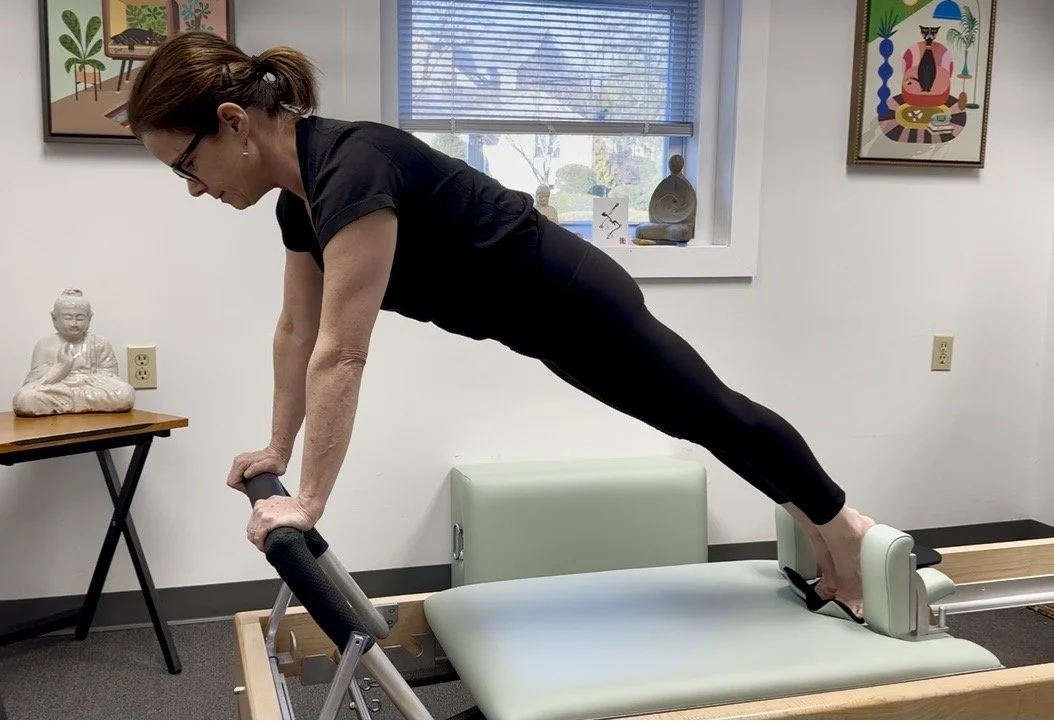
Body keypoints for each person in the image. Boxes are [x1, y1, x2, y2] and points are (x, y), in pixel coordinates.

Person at [127, 31, 876, 617]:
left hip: (579, 299)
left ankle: (849, 532)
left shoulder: (352, 170)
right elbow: (296, 332)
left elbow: (341, 353)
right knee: (701, 420)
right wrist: (277, 447)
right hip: (543, 328)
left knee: (715, 412)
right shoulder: (302, 203)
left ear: (233, 123)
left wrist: (309, 501)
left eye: (186, 165)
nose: (193, 188)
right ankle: (823, 537)